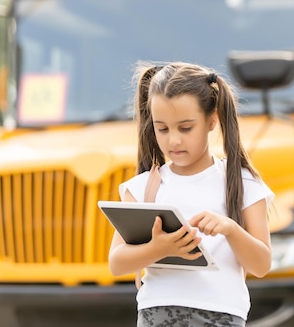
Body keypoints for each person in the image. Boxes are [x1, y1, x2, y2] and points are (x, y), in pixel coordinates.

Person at [108, 61, 274, 327]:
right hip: (156, 314)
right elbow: (116, 263)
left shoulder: (242, 183)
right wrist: (158, 248)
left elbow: (262, 265)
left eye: (185, 128)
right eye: (162, 129)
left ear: (212, 120)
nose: (173, 140)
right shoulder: (142, 188)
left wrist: (230, 229)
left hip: (221, 316)